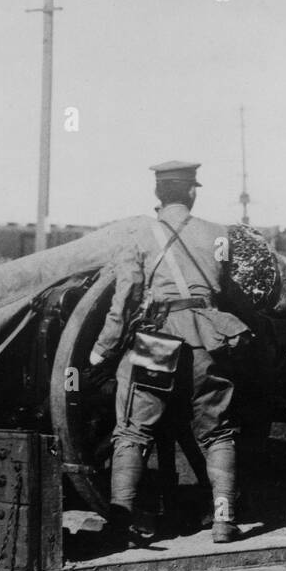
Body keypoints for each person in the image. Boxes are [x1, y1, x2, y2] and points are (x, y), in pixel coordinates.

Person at [90, 161, 253, 547]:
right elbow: (226, 290)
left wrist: (102, 349)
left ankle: (122, 520)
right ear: (192, 192)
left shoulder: (138, 235)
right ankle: (224, 519)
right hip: (206, 340)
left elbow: (126, 297)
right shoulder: (219, 234)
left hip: (158, 342)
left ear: (157, 193)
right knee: (217, 432)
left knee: (133, 430)